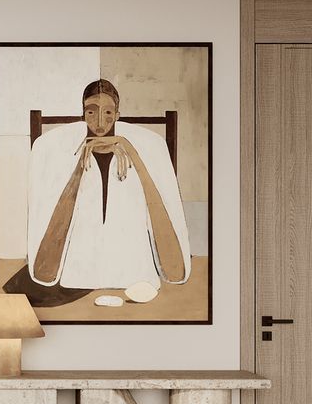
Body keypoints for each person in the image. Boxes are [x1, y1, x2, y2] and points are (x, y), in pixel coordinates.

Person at [27, 78, 190, 301]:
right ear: (83, 114)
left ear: (118, 114)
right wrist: (78, 168)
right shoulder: (56, 151)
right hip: (76, 283)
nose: (100, 122)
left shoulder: (150, 146)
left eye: (108, 112)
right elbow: (43, 270)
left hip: (135, 280)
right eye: (91, 112)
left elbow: (176, 270)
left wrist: (130, 148)